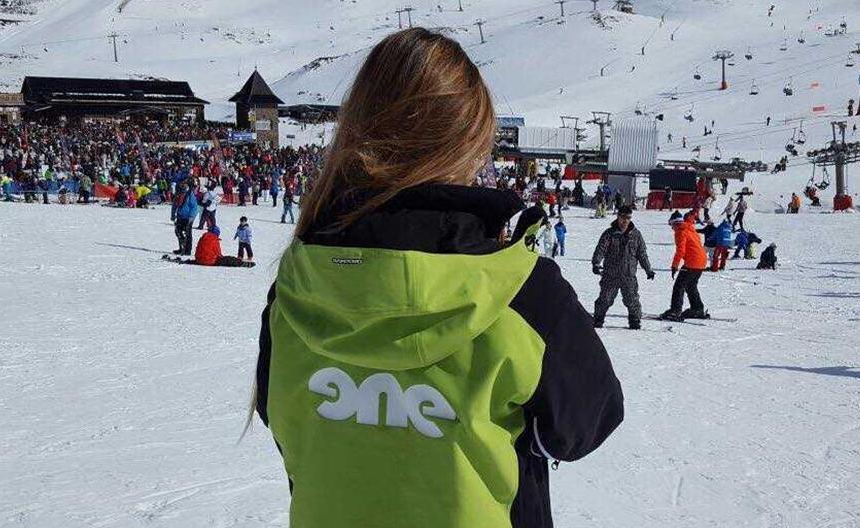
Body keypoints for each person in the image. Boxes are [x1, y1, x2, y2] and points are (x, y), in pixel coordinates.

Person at [251, 28, 623, 528]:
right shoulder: (520, 291)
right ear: (470, 143)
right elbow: (586, 422)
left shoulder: (298, 285)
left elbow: (282, 418)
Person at [591, 206, 654, 329]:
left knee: (632, 300)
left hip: (628, 275)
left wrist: (648, 269)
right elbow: (601, 249)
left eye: (628, 218)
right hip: (611, 274)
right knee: (605, 299)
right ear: (618, 217)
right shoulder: (609, 234)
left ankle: (635, 321)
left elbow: (642, 254)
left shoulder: (636, 235)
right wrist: (596, 263)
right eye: (623, 217)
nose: (625, 220)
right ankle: (598, 319)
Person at [661, 210, 708, 321]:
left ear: (675, 223)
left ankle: (675, 311)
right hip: (701, 261)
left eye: (671, 225)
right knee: (690, 285)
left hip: (693, 262)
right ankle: (697, 308)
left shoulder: (680, 231)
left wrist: (674, 266)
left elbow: (681, 251)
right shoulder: (690, 229)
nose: (672, 228)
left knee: (679, 286)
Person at [173, 182, 198, 255]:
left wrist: (191, 216)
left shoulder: (190, 195)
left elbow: (194, 206)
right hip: (180, 216)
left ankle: (187, 250)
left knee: (188, 234)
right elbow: (174, 205)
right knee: (178, 232)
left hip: (188, 217)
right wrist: (173, 215)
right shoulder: (178, 195)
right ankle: (181, 247)